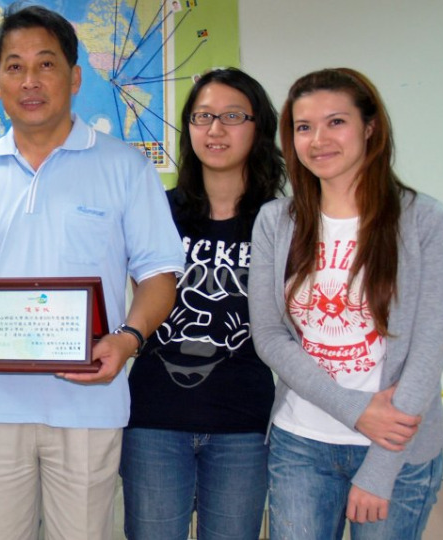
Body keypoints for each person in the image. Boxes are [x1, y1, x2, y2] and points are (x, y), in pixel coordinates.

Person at [0, 5, 184, 539]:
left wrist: (128, 339)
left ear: (74, 77)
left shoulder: (125, 167)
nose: (30, 81)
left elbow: (160, 275)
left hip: (89, 404)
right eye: (15, 66)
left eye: (45, 64)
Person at [249, 68, 443, 539]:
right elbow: (270, 337)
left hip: (395, 452)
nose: (318, 140)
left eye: (336, 122)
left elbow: (429, 349)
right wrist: (355, 408)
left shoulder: (423, 219)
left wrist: (380, 468)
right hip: (301, 444)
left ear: (370, 127)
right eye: (304, 127)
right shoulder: (277, 221)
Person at [120, 68, 284, 540]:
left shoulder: (281, 220)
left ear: (258, 127)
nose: (215, 129)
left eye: (232, 116)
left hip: (243, 424)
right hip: (154, 418)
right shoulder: (157, 211)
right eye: (203, 116)